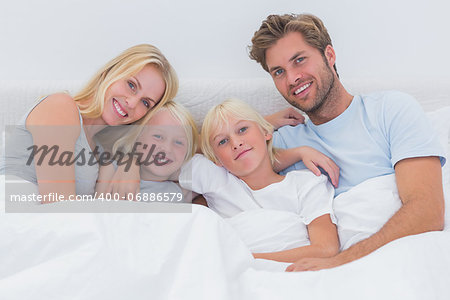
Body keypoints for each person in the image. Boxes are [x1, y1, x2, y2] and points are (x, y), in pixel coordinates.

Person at [248, 13, 446, 271]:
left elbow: (427, 212)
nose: (292, 78)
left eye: (299, 60)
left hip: (399, 263)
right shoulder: (283, 144)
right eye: (279, 72)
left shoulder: (391, 110)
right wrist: (260, 123)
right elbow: (189, 157)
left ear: (329, 55)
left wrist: (341, 262)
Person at [1, 44, 178, 203]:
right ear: (109, 72)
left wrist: (131, 163)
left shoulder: (101, 150)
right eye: (131, 85)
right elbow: (57, 206)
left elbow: (191, 152)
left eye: (145, 103)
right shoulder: (60, 106)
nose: (132, 103)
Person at [179, 98, 340, 264]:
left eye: (242, 129)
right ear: (215, 158)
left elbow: (326, 249)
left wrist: (247, 260)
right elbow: (165, 151)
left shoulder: (306, 183)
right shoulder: (216, 179)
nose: (236, 143)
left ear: (265, 132)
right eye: (223, 141)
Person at [96, 101, 198, 202]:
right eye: (158, 136)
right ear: (137, 137)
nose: (167, 148)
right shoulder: (112, 169)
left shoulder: (183, 191)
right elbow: (97, 213)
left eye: (179, 142)